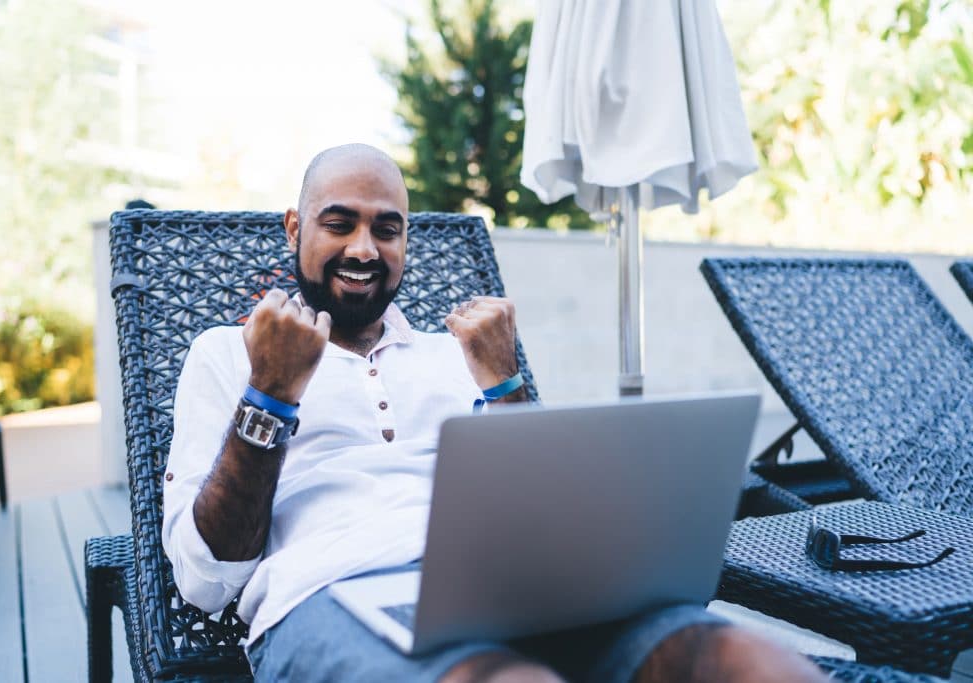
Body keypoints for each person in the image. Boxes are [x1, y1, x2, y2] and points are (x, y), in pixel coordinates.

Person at [162, 143, 825, 682]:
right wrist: (270, 394)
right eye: (341, 222)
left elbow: (556, 513)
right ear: (294, 227)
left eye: (387, 228)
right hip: (334, 595)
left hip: (520, 589)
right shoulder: (228, 354)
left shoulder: (454, 355)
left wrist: (506, 385)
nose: (365, 248)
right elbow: (205, 578)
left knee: (745, 659)